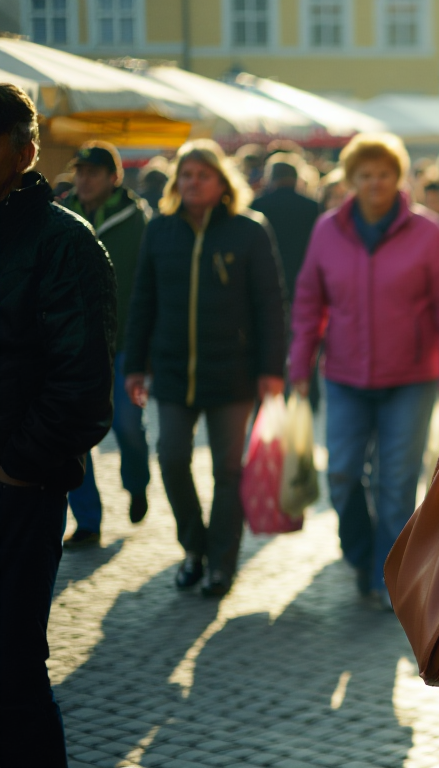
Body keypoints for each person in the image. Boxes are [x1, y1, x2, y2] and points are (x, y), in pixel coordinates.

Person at [289, 132, 439, 608]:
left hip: (409, 379)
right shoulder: (328, 229)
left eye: (384, 174)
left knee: (396, 480)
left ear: (399, 177)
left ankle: (391, 574)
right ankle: (358, 550)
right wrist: (299, 361)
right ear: (350, 179)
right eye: (365, 175)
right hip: (344, 376)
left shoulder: (428, 232)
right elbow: (309, 300)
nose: (375, 183)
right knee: (343, 475)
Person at [0, 82, 117, 767]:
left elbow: (80, 386)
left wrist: (16, 468)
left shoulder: (63, 242)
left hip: (20, 489)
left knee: (12, 665)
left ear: (23, 152)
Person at [124, 139, 288, 599]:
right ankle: (194, 548)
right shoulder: (161, 231)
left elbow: (271, 306)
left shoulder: (249, 230)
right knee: (171, 456)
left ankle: (221, 563)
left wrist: (272, 370)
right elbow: (143, 301)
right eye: (186, 175)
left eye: (202, 175)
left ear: (222, 183)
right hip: (172, 373)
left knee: (228, 472)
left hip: (232, 374)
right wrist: (135, 364)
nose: (192, 182)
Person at [59, 141, 153, 549]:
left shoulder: (138, 220)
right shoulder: (63, 216)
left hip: (127, 341)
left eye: (93, 173)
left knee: (128, 426)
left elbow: (149, 284)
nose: (84, 179)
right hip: (75, 343)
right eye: (80, 172)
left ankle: (137, 482)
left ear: (113, 177)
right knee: (74, 435)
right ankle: (89, 520)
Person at [250, 152, 321, 300]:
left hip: (265, 276)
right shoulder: (312, 207)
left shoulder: (258, 205)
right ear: (296, 178)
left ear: (271, 178)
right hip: (303, 277)